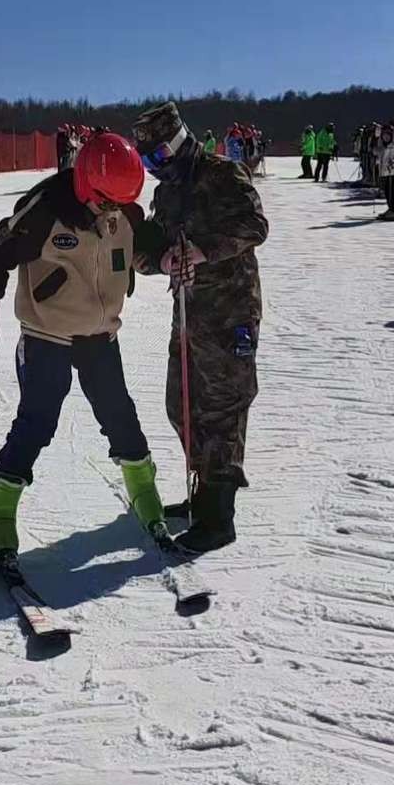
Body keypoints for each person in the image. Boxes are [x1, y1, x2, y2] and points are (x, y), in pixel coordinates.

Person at [0, 132, 166, 559]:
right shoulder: (46, 208)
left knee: (119, 413)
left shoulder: (123, 211)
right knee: (38, 420)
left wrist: (168, 260)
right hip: (47, 334)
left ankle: (143, 487)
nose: (113, 212)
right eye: (106, 203)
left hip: (100, 335)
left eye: (120, 204)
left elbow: (143, 249)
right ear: (85, 185)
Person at [131, 102, 268, 555]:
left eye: (157, 159)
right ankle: (202, 492)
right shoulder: (167, 193)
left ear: (178, 144)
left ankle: (218, 516)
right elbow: (155, 247)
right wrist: (159, 259)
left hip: (230, 311)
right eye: (146, 162)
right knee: (182, 402)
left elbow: (254, 226)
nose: (154, 170)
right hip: (188, 309)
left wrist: (204, 251)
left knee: (222, 408)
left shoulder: (223, 174)